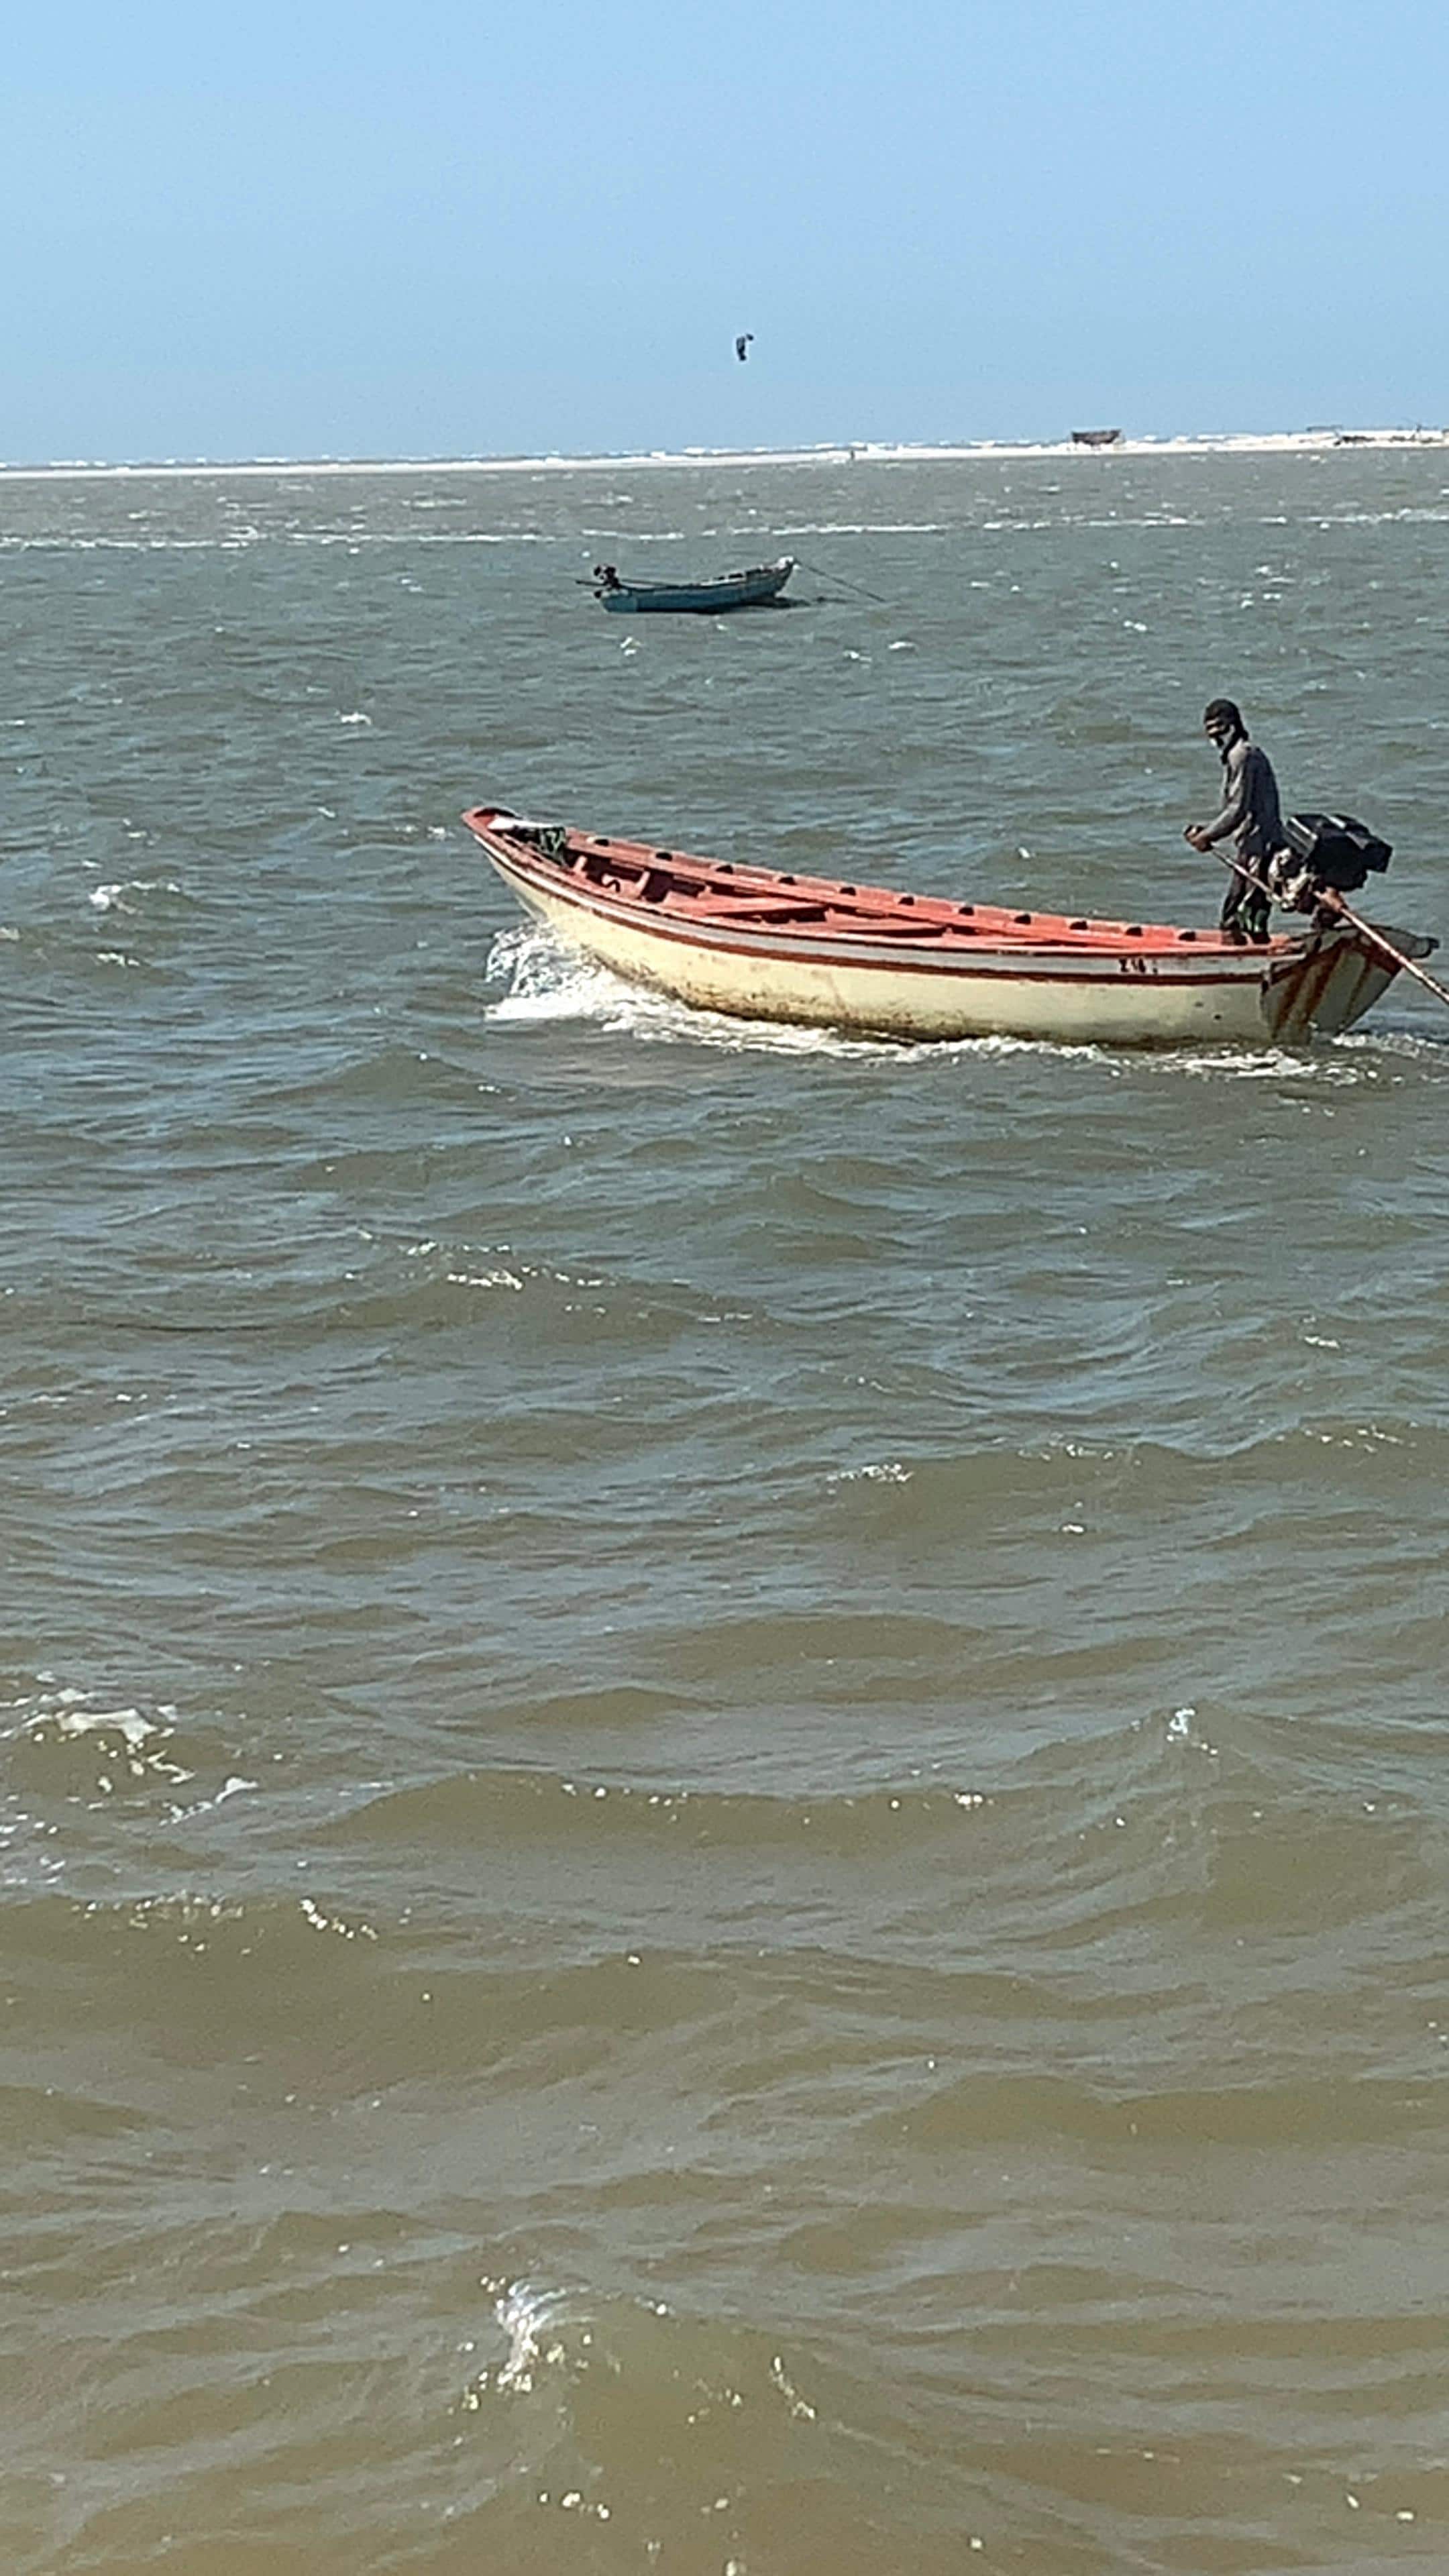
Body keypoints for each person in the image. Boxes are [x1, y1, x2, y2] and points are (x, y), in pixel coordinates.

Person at [1183, 698, 1285, 942]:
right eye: (1211, 734)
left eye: (1221, 731)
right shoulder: (1239, 756)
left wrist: (1206, 836)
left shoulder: (1243, 756)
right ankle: (1255, 953)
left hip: (1258, 848)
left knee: (1237, 915)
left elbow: (1237, 809)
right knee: (1249, 914)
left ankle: (1246, 964)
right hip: (1251, 846)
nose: (1217, 739)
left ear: (1234, 726)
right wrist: (1207, 831)